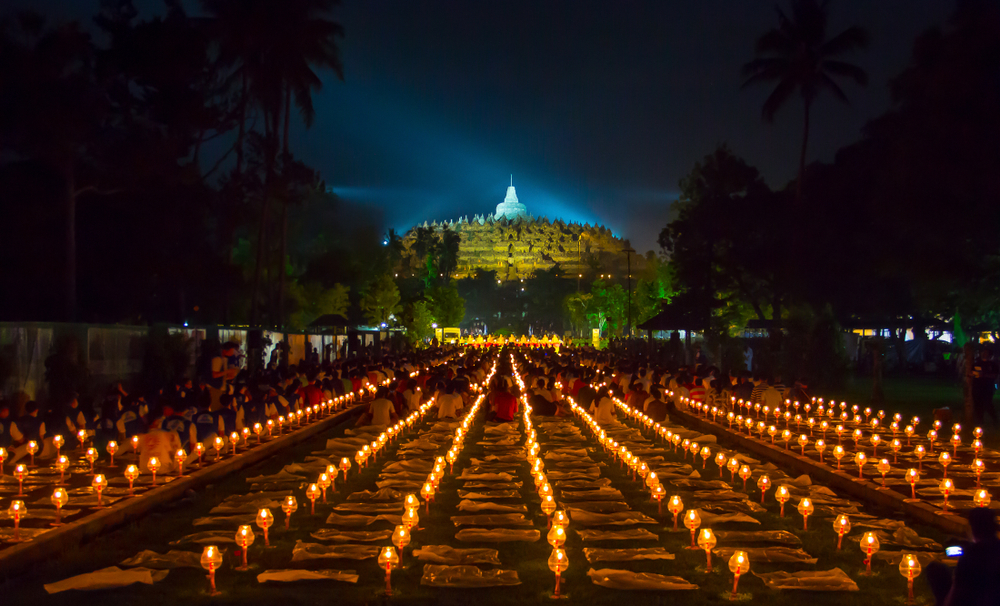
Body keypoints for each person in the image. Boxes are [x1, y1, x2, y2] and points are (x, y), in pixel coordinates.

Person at [927, 508, 1000, 606]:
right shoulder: (995, 548)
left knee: (935, 569)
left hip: (973, 600)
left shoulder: (971, 556)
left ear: (973, 528)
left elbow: (957, 589)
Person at [970, 348, 999, 427]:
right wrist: (973, 374)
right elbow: (971, 372)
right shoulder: (977, 363)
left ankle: (995, 419)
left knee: (987, 404)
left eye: (986, 353)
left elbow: (994, 375)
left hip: (987, 387)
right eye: (983, 352)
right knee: (977, 405)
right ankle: (980, 421)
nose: (984, 354)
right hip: (977, 387)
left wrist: (984, 375)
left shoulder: (992, 364)